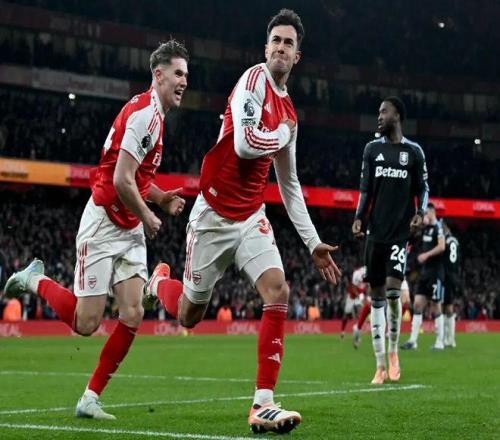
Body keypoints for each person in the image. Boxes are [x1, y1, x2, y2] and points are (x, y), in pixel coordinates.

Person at [144, 9, 341, 434]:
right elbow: (246, 145)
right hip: (213, 216)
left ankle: (262, 404)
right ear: (266, 48)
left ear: (297, 56)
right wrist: (282, 134)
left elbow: (289, 185)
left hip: (252, 216)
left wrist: (313, 243)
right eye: (276, 41)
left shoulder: (289, 111)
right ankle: (158, 282)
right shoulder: (252, 82)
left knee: (278, 289)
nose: (281, 48)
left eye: (289, 43)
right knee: (188, 315)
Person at [3, 40, 189, 419]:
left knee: (132, 313)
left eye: (186, 74)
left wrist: (160, 198)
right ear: (158, 75)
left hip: (128, 225)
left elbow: (137, 177)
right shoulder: (144, 116)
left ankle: (90, 398)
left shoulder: (155, 116)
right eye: (178, 73)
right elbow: (121, 179)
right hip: (104, 222)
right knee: (86, 323)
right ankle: (34, 279)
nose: (184, 81)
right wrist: (149, 213)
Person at [352, 96, 429, 384]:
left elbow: (423, 189)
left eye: (383, 111)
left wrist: (419, 213)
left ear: (397, 115)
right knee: (376, 298)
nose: (379, 116)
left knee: (394, 293)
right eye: (378, 112)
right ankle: (380, 364)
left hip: (400, 233)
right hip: (375, 233)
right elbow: (365, 189)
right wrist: (359, 217)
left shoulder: (414, 151)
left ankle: (394, 350)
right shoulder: (372, 149)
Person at [401, 204, 446, 350]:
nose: (425, 216)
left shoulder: (439, 227)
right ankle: (413, 341)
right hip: (425, 272)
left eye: (426, 213)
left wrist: (426, 255)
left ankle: (440, 342)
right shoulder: (426, 229)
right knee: (417, 304)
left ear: (432, 212)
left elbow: (442, 246)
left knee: (435, 306)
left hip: (435, 273)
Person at [441, 219, 460, 348]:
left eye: (442, 226)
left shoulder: (445, 240)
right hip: (453, 274)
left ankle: (448, 339)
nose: (441, 228)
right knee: (447, 305)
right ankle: (449, 338)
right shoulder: (455, 241)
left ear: (446, 226)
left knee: (446, 307)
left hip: (446, 275)